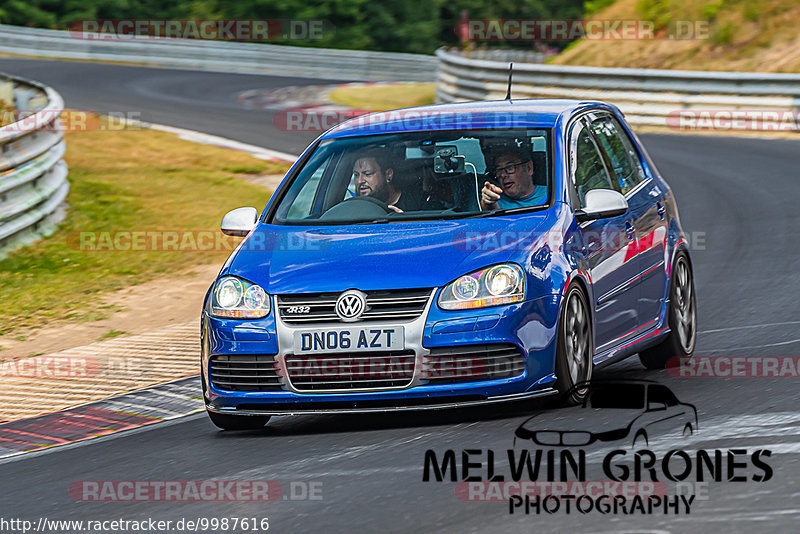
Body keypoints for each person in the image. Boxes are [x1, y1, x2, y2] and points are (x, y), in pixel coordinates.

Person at [352, 148, 427, 212]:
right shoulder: (352, 209)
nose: (360, 181)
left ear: (388, 174)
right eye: (356, 175)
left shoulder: (420, 202)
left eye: (368, 174)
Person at [480, 148, 546, 210]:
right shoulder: (496, 198)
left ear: (529, 168)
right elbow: (489, 209)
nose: (503, 175)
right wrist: (487, 201)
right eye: (499, 170)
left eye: (510, 168)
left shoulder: (551, 195)